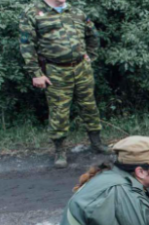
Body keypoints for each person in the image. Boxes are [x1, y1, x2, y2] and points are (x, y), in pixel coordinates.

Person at [19, 0, 111, 169]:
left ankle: (96, 143)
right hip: (56, 71)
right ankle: (60, 151)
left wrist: (90, 55)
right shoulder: (33, 13)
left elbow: (93, 35)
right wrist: (36, 73)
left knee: (89, 106)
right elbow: (27, 45)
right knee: (59, 111)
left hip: (81, 68)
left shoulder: (76, 12)